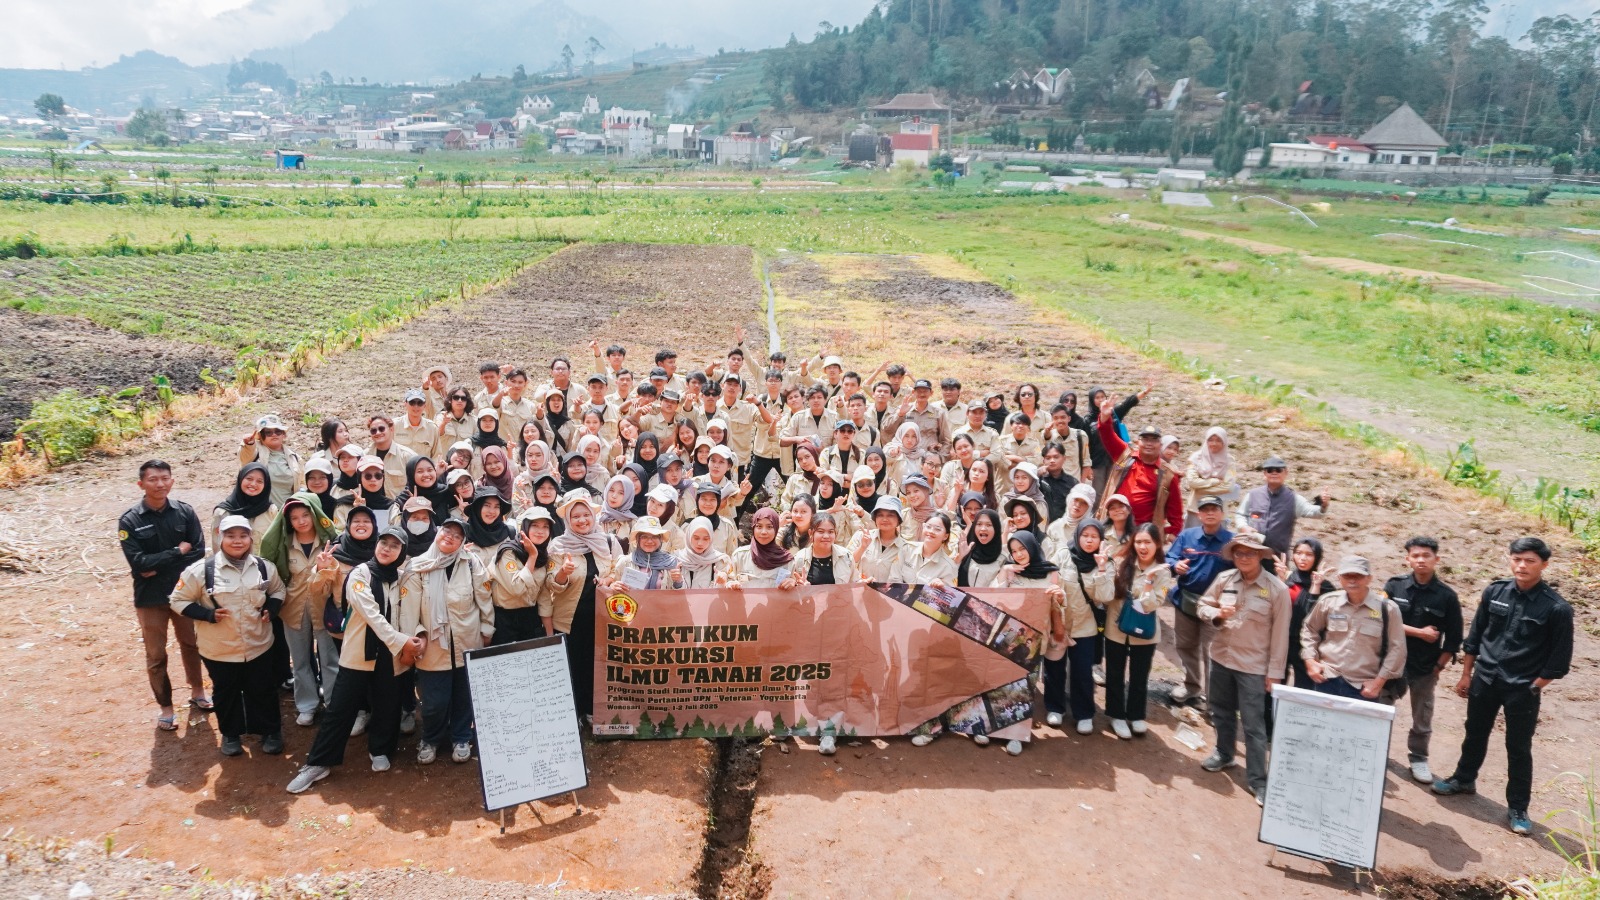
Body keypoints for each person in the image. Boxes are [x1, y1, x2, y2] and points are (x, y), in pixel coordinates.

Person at [1434, 537, 1574, 836]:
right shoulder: (1495, 592)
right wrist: (1467, 674)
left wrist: (1534, 687)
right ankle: (1463, 779)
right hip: (1485, 678)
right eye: (1517, 559)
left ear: (1544, 565)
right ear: (1510, 560)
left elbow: (1559, 661)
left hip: (1522, 688)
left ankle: (1518, 808)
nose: (1522, 565)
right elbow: (1476, 635)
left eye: (1530, 561)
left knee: (1518, 747)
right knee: (1475, 731)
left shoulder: (1556, 608)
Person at [287, 524, 424, 793]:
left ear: (402, 552)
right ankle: (318, 762)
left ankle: (381, 749)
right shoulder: (360, 574)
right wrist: (401, 641)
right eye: (383, 543)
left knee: (387, 704)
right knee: (341, 709)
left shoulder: (401, 579)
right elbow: (371, 614)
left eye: (394, 546)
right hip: (359, 653)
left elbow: (410, 613)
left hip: (390, 655)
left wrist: (416, 635)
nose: (387, 549)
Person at [170, 515, 287, 758]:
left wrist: (272, 608)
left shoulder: (264, 567)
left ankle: (270, 731)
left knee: (263, 689)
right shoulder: (201, 571)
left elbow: (278, 590)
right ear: (220, 537)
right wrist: (206, 614)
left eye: (243, 535)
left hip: (258, 644)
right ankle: (231, 734)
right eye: (231, 535)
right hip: (219, 649)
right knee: (226, 691)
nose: (238, 541)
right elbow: (177, 600)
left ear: (250, 538)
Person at [1195, 532, 1290, 806]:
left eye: (1249, 553)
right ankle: (1224, 754)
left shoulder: (1277, 590)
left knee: (1253, 725)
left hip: (1254, 667)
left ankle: (1258, 781)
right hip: (1222, 658)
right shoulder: (1225, 580)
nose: (1243, 557)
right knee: (1221, 712)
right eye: (1238, 553)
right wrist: (1215, 614)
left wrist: (1275, 673)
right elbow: (1202, 605)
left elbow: (1281, 635)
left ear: (1260, 555)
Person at [119, 459, 209, 731]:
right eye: (152, 479)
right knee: (156, 655)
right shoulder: (130, 520)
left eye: (164, 478)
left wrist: (156, 563)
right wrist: (176, 552)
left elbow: (198, 552)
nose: (159, 484)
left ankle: (198, 693)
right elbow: (139, 563)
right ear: (141, 484)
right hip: (150, 599)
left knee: (192, 645)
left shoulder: (184, 512)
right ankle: (166, 709)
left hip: (184, 594)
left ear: (171, 480)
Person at [410, 517, 494, 765]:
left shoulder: (471, 563)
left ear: (463, 542)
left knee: (463, 695)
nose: (451, 537)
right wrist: (416, 636)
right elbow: (410, 610)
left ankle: (461, 736)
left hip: (467, 639)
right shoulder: (417, 566)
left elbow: (484, 597)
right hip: (432, 646)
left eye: (458, 535)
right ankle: (431, 738)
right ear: (438, 532)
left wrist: (487, 629)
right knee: (434, 701)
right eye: (447, 531)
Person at [1381, 536, 1463, 785]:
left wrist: (1438, 667)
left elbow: (1454, 638)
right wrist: (1419, 632)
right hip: (1392, 662)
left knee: (1422, 716)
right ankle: (1376, 750)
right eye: (1415, 556)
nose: (1420, 560)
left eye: (1426, 556)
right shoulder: (1395, 586)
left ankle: (1418, 758)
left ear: (1436, 560)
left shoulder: (1447, 596)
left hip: (1426, 666)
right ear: (1407, 559)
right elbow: (1383, 620)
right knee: (1381, 708)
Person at [258, 492, 340, 727]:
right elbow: (274, 575)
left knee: (330, 658)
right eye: (295, 518)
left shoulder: (330, 541)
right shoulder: (284, 543)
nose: (301, 521)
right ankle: (307, 705)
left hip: (325, 607)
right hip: (293, 608)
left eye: (306, 515)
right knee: (301, 659)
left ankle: (334, 704)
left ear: (315, 515)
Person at [546, 491, 624, 720]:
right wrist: (563, 573)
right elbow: (551, 585)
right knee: (572, 666)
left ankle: (591, 709)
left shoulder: (607, 541)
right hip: (570, 618)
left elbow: (615, 570)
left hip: (600, 617)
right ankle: (573, 714)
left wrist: (608, 580)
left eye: (585, 515)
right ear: (568, 521)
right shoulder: (559, 546)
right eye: (576, 517)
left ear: (593, 516)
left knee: (595, 665)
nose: (582, 520)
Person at [1299, 556, 1406, 701]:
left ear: (1369, 578)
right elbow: (1310, 629)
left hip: (1363, 687)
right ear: (1339, 578)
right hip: (1327, 679)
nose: (1352, 580)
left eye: (1358, 576)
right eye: (1347, 575)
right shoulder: (1328, 602)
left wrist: (1378, 682)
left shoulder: (1388, 609)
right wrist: (1310, 661)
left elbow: (1397, 649)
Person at [1164, 495, 1235, 707]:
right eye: (1205, 509)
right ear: (1199, 514)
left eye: (1214, 509)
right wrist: (1175, 566)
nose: (1210, 513)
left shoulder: (1231, 541)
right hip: (1185, 601)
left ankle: (1215, 703)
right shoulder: (1187, 536)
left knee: (1213, 653)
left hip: (1216, 608)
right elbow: (1170, 558)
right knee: (1186, 646)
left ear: (1222, 513)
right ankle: (1191, 686)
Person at [1104, 523, 1171, 740]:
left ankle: (1136, 715)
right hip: (1116, 627)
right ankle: (1116, 715)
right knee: (1114, 673)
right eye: (1139, 541)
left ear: (1157, 544)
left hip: (1144, 632)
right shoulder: (1122, 563)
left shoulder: (1162, 571)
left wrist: (1150, 581)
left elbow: (1151, 605)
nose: (1143, 547)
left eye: (1147, 542)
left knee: (1139, 675)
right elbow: (1108, 593)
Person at [1048, 521, 1113, 735]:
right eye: (1085, 535)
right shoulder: (1063, 555)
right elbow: (1050, 583)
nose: (1089, 539)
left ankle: (1084, 713)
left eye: (1094, 536)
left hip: (1086, 627)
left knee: (1082, 671)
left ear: (1100, 540)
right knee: (1054, 669)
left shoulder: (1105, 562)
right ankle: (1055, 708)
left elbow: (1105, 597)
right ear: (1077, 536)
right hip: (1059, 623)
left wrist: (1102, 568)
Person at [1093, 403, 1183, 540]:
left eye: (1154, 440)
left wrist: (1166, 534)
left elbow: (1176, 515)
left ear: (1160, 445)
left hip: (1142, 536)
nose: (1149, 443)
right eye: (1145, 439)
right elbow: (1107, 435)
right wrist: (1105, 417)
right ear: (1137, 442)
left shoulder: (1169, 475)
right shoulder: (1124, 455)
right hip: (1112, 528)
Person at [1234, 455, 1329, 558]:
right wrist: (1244, 527)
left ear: (1286, 473)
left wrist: (1323, 505)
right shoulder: (1252, 495)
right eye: (1270, 470)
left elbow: (1314, 512)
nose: (1274, 473)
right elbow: (1240, 515)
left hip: (1277, 557)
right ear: (1264, 474)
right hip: (1251, 552)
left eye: (1278, 470)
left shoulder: (1294, 499)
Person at [489, 509, 552, 645]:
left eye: (545, 527)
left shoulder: (543, 555)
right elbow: (517, 588)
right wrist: (532, 557)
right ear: (525, 527)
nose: (540, 531)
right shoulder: (508, 552)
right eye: (535, 525)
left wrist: (550, 635)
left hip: (531, 618)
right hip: (505, 620)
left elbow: (544, 596)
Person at [1282, 537, 1335, 689]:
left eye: (1309, 554)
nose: (1302, 558)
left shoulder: (1326, 587)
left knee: (1305, 686)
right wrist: (1280, 581)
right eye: (1298, 553)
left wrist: (1315, 586)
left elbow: (1312, 616)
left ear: (1317, 557)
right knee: (1274, 685)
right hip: (1283, 640)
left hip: (1308, 644)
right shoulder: (1288, 578)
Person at [237, 414, 302, 508]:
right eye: (268, 432)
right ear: (259, 435)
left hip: (286, 512)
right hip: (260, 511)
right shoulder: (254, 450)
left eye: (278, 431)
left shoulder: (294, 457)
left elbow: (302, 482)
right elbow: (245, 456)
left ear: (284, 435)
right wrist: (249, 444)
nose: (274, 435)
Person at [212, 462, 277, 549]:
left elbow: (276, 544)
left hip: (263, 562)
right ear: (240, 479)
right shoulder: (222, 512)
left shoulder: (271, 511)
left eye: (259, 481)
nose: (253, 484)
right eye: (249, 479)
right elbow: (217, 547)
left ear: (266, 485)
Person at [1183, 427, 1239, 524]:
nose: (1214, 443)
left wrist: (1199, 489)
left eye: (1218, 440)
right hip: (1196, 508)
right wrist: (1215, 481)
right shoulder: (1196, 458)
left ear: (1224, 442)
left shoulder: (1229, 461)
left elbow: (1228, 486)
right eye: (1211, 440)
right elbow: (1192, 482)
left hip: (1219, 509)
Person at [730, 508, 794, 588]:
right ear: (753, 528)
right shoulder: (739, 556)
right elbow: (727, 583)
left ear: (776, 528)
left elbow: (795, 594)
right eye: (759, 526)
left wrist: (794, 584)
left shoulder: (787, 561)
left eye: (769, 527)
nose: (764, 532)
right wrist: (730, 584)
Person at [855, 497, 910, 582]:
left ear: (898, 519)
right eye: (880, 515)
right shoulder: (861, 536)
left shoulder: (906, 548)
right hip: (860, 591)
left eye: (890, 515)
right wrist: (862, 547)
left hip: (889, 595)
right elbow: (846, 564)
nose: (884, 519)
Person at [789, 512, 853, 586]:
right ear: (810, 533)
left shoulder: (846, 556)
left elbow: (854, 582)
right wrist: (801, 587)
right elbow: (792, 588)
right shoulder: (799, 559)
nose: (826, 536)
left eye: (830, 532)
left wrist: (863, 582)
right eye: (820, 531)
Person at [677, 516, 732, 587]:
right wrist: (677, 582)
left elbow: (728, 590)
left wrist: (722, 583)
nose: (700, 543)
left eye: (705, 539)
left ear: (711, 539)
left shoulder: (720, 561)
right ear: (688, 536)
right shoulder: (677, 559)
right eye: (696, 538)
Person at [395, 389, 441, 460]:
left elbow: (436, 456)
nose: (416, 406)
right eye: (412, 402)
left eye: (419, 403)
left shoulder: (432, 428)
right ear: (405, 404)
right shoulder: (394, 425)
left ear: (424, 406)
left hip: (422, 470)